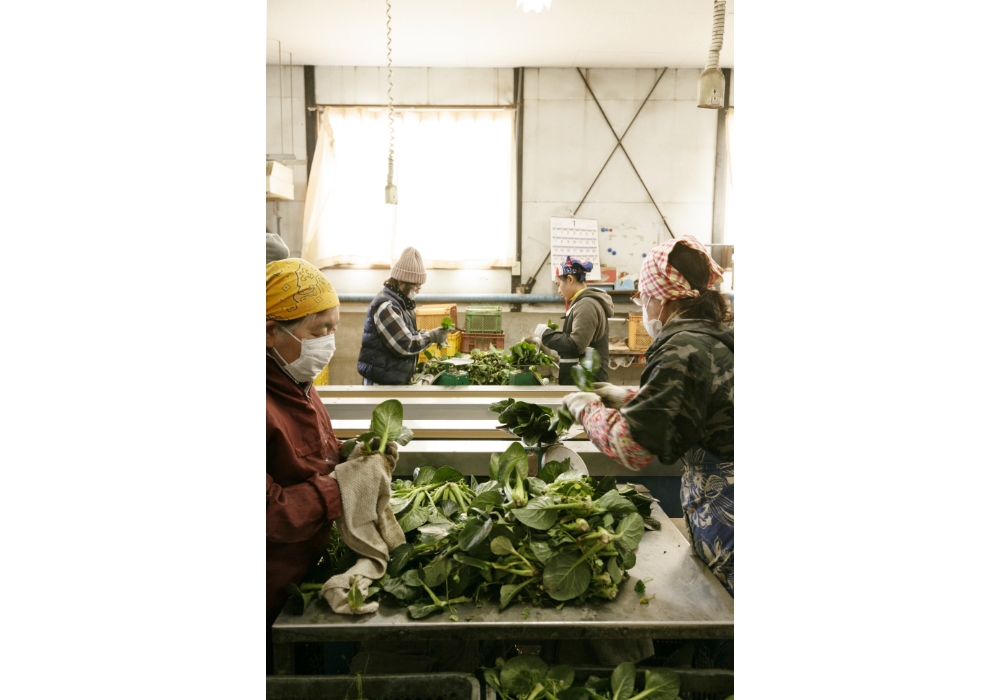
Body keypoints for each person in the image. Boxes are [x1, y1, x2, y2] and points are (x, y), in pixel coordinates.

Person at [560, 236, 734, 596]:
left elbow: (631, 447)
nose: (645, 307)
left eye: (645, 298)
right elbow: (694, 399)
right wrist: (625, 396)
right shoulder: (715, 335)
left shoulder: (681, 347)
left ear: (664, 298)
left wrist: (586, 410)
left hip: (729, 514)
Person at [357, 246, 449, 385]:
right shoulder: (386, 306)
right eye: (416, 286)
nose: (418, 290)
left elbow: (408, 335)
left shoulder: (402, 304)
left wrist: (428, 334)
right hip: (380, 385)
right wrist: (431, 337)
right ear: (401, 281)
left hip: (391, 379)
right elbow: (404, 344)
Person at [529, 257, 614, 385]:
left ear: (570, 279)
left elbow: (576, 345)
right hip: (582, 382)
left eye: (558, 284)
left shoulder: (586, 305)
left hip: (588, 384)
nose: (558, 290)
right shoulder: (581, 303)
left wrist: (546, 334)